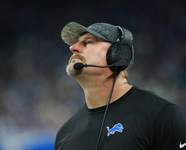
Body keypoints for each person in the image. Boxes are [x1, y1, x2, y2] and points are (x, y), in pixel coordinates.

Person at [55, 22, 186, 150]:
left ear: (119, 54)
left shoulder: (162, 116)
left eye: (88, 42)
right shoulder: (65, 135)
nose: (72, 47)